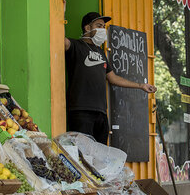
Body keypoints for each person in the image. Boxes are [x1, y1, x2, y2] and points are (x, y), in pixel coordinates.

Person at [64, 11, 157, 144]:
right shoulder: (76, 46)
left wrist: (141, 86)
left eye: (103, 26)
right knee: (82, 154)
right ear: (87, 28)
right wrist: (62, 14)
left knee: (100, 155)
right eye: (99, 25)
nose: (103, 29)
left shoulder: (100, 52)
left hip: (101, 112)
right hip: (81, 110)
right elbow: (59, 38)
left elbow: (113, 78)